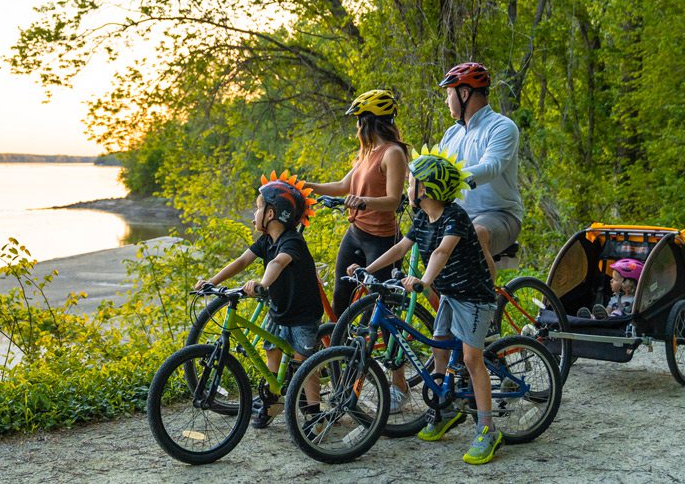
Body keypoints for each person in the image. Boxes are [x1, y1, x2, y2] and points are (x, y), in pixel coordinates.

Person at [347, 147, 502, 465]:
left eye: (412, 182)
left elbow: (442, 253)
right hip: (449, 294)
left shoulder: (454, 217)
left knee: (472, 359)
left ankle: (488, 429)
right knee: (440, 347)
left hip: (473, 297)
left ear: (427, 189)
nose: (407, 187)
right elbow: (401, 247)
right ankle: (445, 408)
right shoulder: (422, 217)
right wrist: (369, 270)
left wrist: (424, 280)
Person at [194, 170, 323, 429]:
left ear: (271, 214)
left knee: (305, 364)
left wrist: (262, 284)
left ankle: (314, 414)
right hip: (278, 309)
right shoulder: (266, 240)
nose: (254, 215)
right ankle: (273, 401)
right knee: (271, 352)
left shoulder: (292, 242)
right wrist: (212, 282)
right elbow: (242, 261)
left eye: (258, 208)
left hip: (302, 314)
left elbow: (278, 262)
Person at [305, 89, 410, 316]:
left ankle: (373, 350)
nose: (358, 128)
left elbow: (393, 201)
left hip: (382, 241)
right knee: (341, 297)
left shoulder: (393, 153)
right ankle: (337, 350)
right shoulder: (368, 152)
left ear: (369, 122)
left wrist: (363, 201)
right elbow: (343, 186)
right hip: (356, 234)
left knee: (374, 308)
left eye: (359, 122)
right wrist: (305, 185)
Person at [437, 62, 523, 281]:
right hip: (459, 216)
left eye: (449, 94)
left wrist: (451, 178)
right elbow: (433, 169)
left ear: (464, 93)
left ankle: (486, 309)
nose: (447, 101)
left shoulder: (502, 126)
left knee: (475, 234)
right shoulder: (451, 134)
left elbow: (490, 167)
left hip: (500, 215)